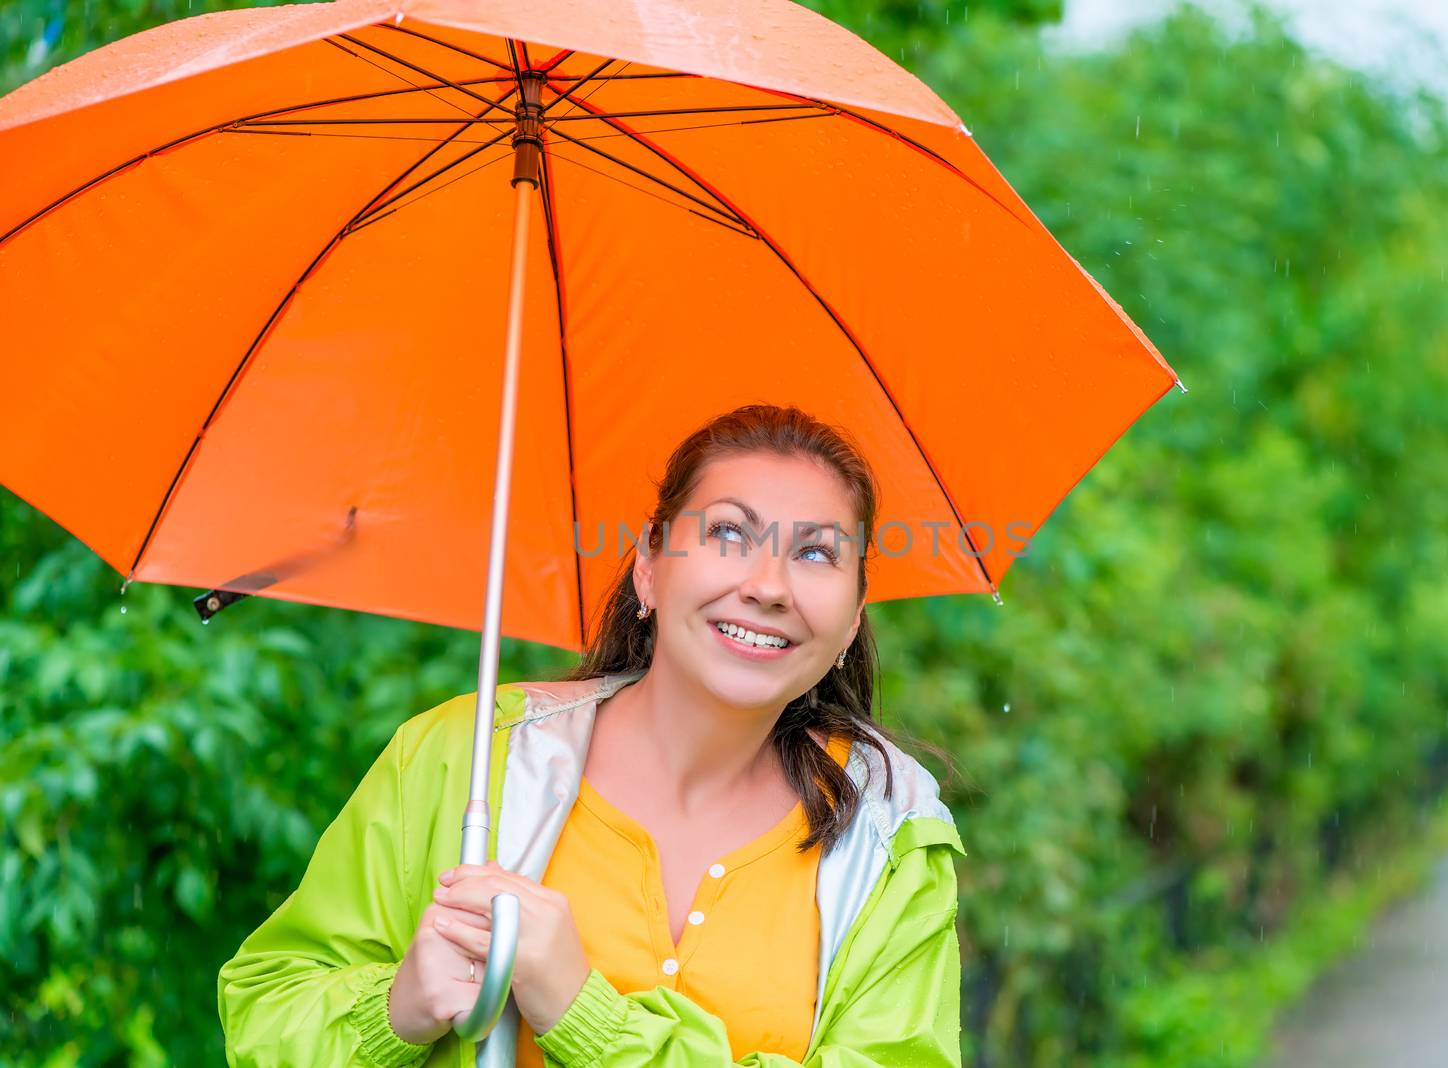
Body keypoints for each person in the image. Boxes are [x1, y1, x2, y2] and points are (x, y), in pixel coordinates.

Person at [217, 404, 966, 1066]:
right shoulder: (469, 757)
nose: (768, 585)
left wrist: (586, 1017)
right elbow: (266, 1011)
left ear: (854, 617)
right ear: (647, 568)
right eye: (729, 533)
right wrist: (397, 1012)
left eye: (814, 552)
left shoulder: (891, 836)